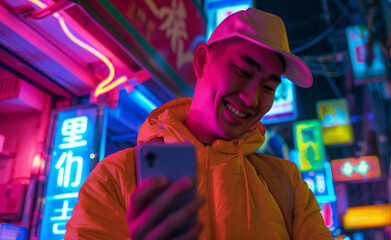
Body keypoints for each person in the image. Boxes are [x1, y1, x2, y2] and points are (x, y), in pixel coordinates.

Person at [65, 8, 334, 240]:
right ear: (203, 60)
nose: (251, 98)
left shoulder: (285, 181)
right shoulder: (118, 176)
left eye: (267, 87)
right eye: (242, 72)